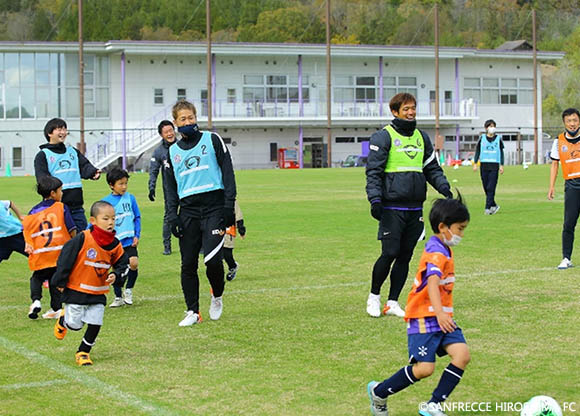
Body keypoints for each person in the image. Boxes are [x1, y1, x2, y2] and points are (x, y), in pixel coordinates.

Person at [367, 195, 470, 416]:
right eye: (459, 229)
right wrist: (441, 313)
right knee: (425, 369)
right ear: (443, 227)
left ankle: (434, 405)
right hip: (424, 317)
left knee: (462, 355)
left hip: (441, 318)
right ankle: (379, 392)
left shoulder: (443, 246)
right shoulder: (436, 252)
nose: (461, 235)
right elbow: (432, 283)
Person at [365, 92, 452, 319]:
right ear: (395, 112)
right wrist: (375, 199)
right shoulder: (383, 137)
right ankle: (374, 296)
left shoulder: (422, 138)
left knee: (405, 255)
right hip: (392, 208)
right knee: (389, 252)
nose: (411, 112)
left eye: (413, 108)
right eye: (406, 109)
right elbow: (373, 172)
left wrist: (445, 189)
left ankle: (392, 302)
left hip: (415, 208)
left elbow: (432, 169)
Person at [166, 99, 237, 326]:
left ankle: (216, 295)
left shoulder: (212, 139)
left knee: (213, 261)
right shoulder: (172, 152)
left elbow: (227, 171)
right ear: (176, 123)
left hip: (214, 207)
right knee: (188, 264)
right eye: (183, 119)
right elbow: (169, 188)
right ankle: (192, 311)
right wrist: (172, 216)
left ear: (197, 117)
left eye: (191, 117)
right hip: (188, 211)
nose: (188, 122)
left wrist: (229, 205)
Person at [52, 200, 128, 366]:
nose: (110, 222)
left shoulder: (115, 244)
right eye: (106, 218)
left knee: (96, 323)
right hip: (77, 289)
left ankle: (83, 352)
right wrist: (60, 280)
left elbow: (123, 263)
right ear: (93, 221)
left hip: (99, 291)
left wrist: (116, 275)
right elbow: (66, 257)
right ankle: (64, 320)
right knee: (75, 325)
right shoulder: (83, 238)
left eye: (113, 219)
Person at [22, 176, 77, 319]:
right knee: (55, 279)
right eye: (60, 191)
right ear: (53, 193)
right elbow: (71, 229)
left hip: (41, 253)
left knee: (36, 278)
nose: (62, 193)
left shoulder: (33, 212)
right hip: (59, 252)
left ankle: (36, 301)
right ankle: (56, 308)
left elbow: (27, 232)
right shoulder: (61, 207)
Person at [34, 118, 101, 231]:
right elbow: (43, 180)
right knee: (60, 240)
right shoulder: (42, 155)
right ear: (49, 133)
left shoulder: (72, 151)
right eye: (59, 129)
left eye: (65, 129)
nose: (63, 132)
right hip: (55, 207)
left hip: (76, 206)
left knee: (82, 239)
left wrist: (93, 172)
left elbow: (84, 166)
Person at [102, 168, 141, 307]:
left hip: (129, 240)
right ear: (112, 185)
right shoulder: (105, 202)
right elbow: (99, 221)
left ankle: (129, 290)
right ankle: (118, 297)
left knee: (134, 263)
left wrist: (137, 235)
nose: (124, 187)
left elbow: (137, 217)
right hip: (114, 242)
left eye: (125, 183)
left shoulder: (130, 198)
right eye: (120, 184)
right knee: (116, 269)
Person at [548, 107, 580, 270]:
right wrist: (551, 186)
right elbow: (555, 164)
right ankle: (566, 258)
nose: (572, 124)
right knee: (569, 223)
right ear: (564, 123)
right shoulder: (558, 141)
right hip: (572, 186)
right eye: (569, 121)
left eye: (575, 120)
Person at [148, 120, 177, 255]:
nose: (170, 134)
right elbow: (153, 170)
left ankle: (198, 245)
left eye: (171, 130)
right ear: (161, 134)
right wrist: (151, 187)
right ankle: (167, 246)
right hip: (170, 190)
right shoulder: (159, 151)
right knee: (169, 217)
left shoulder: (183, 145)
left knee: (192, 215)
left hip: (186, 187)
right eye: (166, 132)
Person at [472, 119, 504, 215]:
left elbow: (501, 152)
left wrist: (501, 165)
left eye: (493, 126)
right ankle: (493, 205)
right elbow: (477, 151)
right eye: (490, 126)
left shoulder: (498, 139)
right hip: (484, 165)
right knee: (486, 187)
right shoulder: (482, 138)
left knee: (491, 187)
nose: (492, 128)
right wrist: (475, 163)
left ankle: (487, 208)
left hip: (494, 165)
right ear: (486, 128)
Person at [223, 200, 246, 281]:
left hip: (228, 231)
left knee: (227, 254)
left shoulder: (231, 201)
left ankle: (232, 266)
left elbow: (238, 215)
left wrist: (241, 229)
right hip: (215, 230)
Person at [0, 199, 26, 263]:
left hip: (17, 233)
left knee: (35, 255)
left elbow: (10, 203)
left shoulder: (1, 203)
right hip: (2, 239)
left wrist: (20, 216)